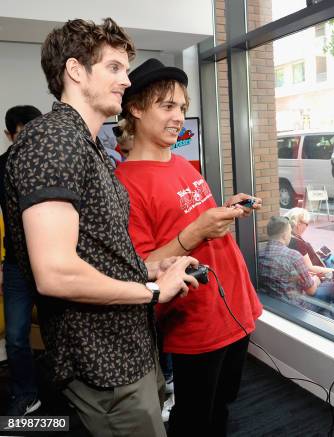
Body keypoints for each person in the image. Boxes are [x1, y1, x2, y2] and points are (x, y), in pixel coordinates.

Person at [4, 19, 198, 437]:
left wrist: (147, 269)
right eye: (113, 68)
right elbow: (55, 273)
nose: (126, 80)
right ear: (76, 71)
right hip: (103, 362)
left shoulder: (88, 146)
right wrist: (152, 292)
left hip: (129, 348)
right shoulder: (53, 141)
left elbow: (92, 250)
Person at [114, 58, 263, 437]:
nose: (178, 116)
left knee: (224, 405)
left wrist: (224, 212)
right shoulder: (123, 184)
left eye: (182, 107)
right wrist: (198, 229)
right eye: (167, 106)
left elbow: (195, 220)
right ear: (135, 108)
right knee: (195, 418)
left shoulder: (182, 164)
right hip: (196, 320)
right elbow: (141, 266)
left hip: (236, 304)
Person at [0, 105, 42, 416]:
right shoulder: (1, 166)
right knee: (15, 336)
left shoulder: (53, 162)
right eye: (21, 134)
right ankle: (27, 394)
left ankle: (75, 394)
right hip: (16, 265)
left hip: (55, 263)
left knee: (64, 333)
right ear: (9, 135)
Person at [258, 216, 326, 303]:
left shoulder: (259, 254)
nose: (291, 236)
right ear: (284, 235)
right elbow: (311, 290)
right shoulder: (293, 256)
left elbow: (277, 277)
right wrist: (316, 279)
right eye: (290, 232)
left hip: (270, 304)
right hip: (293, 308)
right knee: (329, 291)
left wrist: (297, 278)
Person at [284, 207, 334, 275]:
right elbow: (310, 268)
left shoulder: (288, 236)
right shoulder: (297, 242)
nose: (307, 227)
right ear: (299, 224)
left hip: (317, 262)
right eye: (306, 224)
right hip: (318, 271)